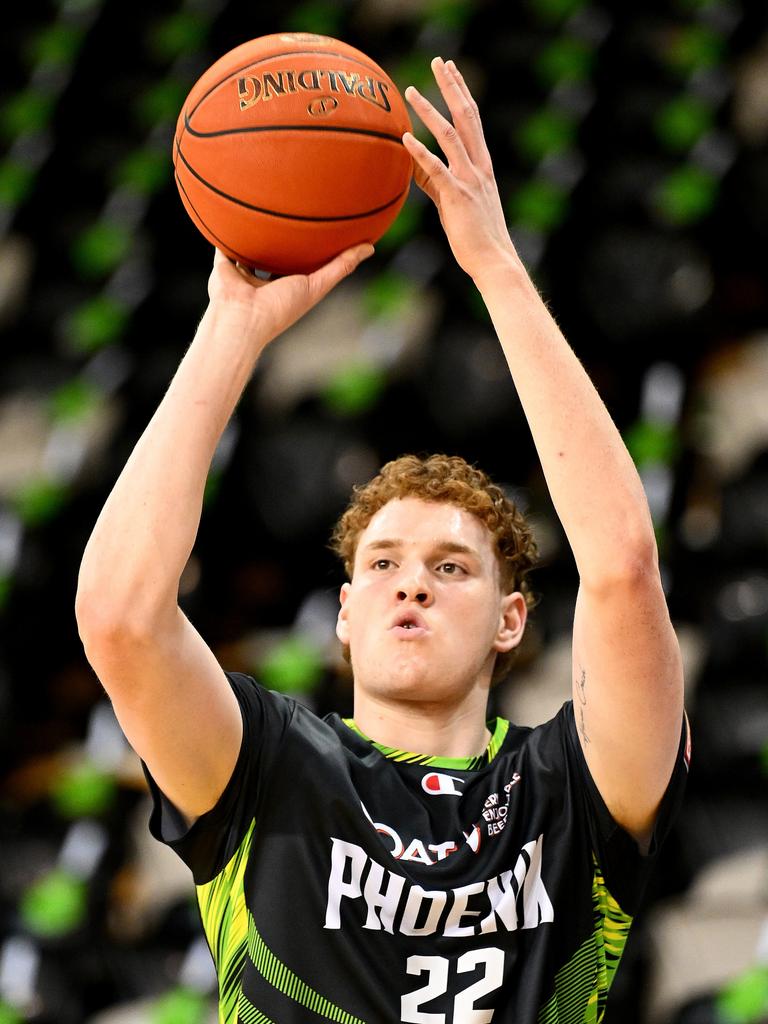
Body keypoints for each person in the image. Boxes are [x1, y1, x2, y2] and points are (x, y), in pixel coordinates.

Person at [76, 56, 689, 1023]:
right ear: (346, 614)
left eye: (452, 569)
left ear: (510, 618)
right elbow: (117, 618)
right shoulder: (268, 769)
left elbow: (620, 565)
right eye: (385, 566)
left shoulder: (572, 786)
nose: (413, 586)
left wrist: (495, 263)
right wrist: (230, 328)